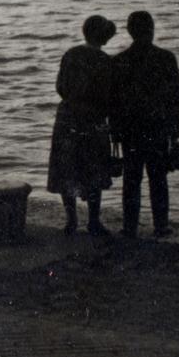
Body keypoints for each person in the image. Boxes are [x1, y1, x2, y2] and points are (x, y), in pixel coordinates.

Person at [109, 10, 179, 239]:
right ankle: (160, 225)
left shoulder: (119, 61)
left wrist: (115, 131)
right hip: (158, 127)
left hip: (131, 129)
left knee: (131, 179)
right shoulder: (166, 58)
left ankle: (130, 227)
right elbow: (176, 97)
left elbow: (113, 102)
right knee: (158, 178)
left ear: (130, 31)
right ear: (152, 29)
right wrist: (176, 128)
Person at [47, 15, 117, 236]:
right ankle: (93, 221)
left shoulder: (70, 54)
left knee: (66, 167)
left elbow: (60, 87)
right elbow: (109, 96)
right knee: (93, 168)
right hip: (92, 119)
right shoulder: (105, 60)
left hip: (67, 116)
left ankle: (71, 220)